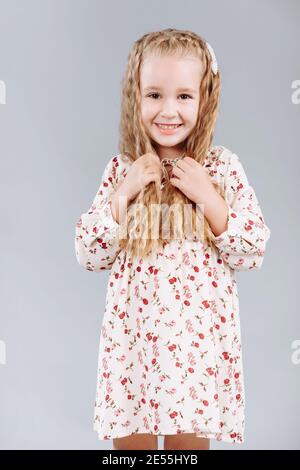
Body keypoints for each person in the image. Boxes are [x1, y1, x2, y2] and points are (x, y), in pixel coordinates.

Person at [75, 28, 271, 451]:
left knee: (186, 452)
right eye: (154, 95)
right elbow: (89, 253)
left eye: (184, 96)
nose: (169, 110)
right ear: (136, 97)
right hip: (134, 351)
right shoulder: (122, 170)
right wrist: (124, 193)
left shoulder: (220, 169)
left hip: (194, 355)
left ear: (205, 99)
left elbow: (252, 249)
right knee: (133, 450)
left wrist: (209, 197)